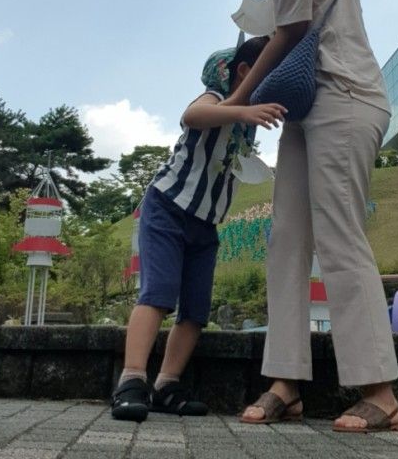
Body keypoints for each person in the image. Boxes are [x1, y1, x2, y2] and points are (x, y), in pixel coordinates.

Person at [183, 0, 398, 433]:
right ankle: (286, 380)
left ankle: (379, 392)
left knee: (338, 237)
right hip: (311, 106)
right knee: (285, 241)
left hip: (345, 96)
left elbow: (290, 33)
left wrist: (233, 104)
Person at [111, 35, 284, 422]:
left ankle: (166, 384)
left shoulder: (248, 125)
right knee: (157, 294)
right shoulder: (215, 100)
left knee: (195, 309)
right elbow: (192, 116)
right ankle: (132, 379)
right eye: (269, 78)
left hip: (205, 224)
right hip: (168, 208)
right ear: (244, 72)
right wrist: (240, 111)